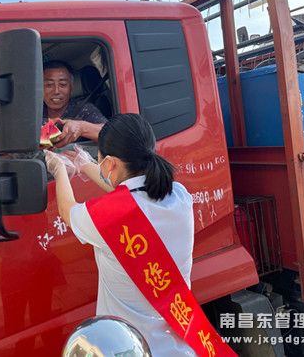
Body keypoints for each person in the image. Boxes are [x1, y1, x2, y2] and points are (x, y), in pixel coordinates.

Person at [46, 114, 219, 356]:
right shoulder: (179, 195)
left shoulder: (106, 217)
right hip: (181, 347)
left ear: (110, 164)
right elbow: (128, 195)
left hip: (130, 348)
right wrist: (85, 165)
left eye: (99, 160)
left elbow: (68, 211)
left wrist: (59, 170)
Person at [43, 60, 107, 148]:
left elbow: (112, 134)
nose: (56, 91)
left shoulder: (83, 109)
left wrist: (82, 127)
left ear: (71, 87)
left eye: (63, 84)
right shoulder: (34, 113)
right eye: (49, 85)